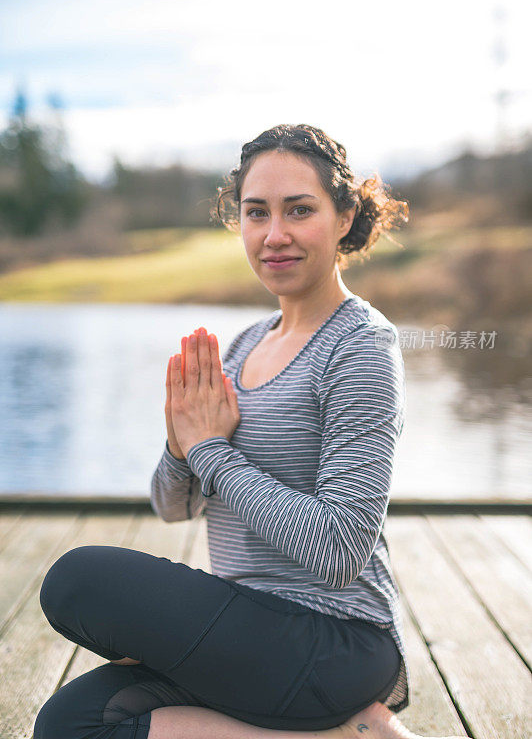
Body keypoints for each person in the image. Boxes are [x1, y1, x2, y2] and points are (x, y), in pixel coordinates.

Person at [34, 124, 462, 739]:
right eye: (255, 212)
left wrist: (211, 450)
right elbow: (172, 507)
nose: (274, 235)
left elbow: (341, 550)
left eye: (299, 210)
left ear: (344, 217)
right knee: (66, 725)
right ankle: (341, 737)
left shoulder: (360, 344)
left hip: (335, 640)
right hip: (246, 639)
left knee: (78, 581)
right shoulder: (241, 346)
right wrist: (180, 445)